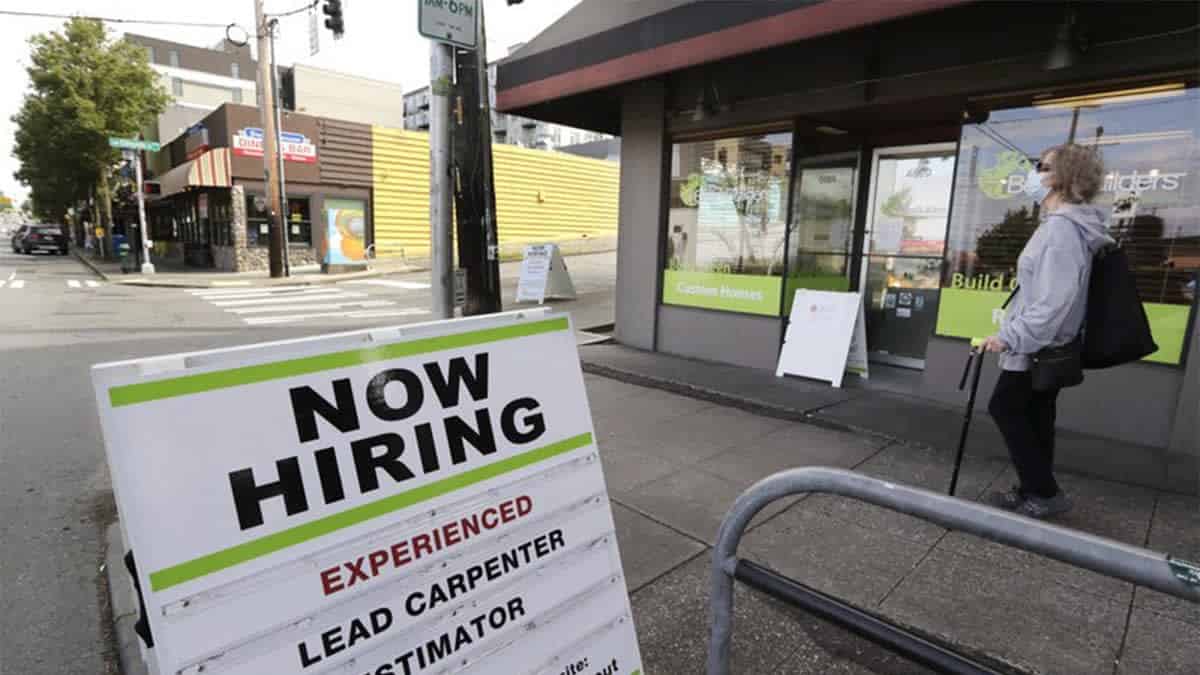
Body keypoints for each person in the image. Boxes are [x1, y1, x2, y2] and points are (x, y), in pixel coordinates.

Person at [981, 143, 1113, 519]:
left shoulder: (1062, 231)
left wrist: (1010, 336)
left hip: (1039, 345)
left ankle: (1044, 492)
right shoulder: (1062, 226)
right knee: (1036, 415)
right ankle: (1033, 490)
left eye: (1041, 165)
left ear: (1060, 177)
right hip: (1046, 343)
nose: (1033, 172)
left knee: (1005, 407)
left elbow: (1054, 301)